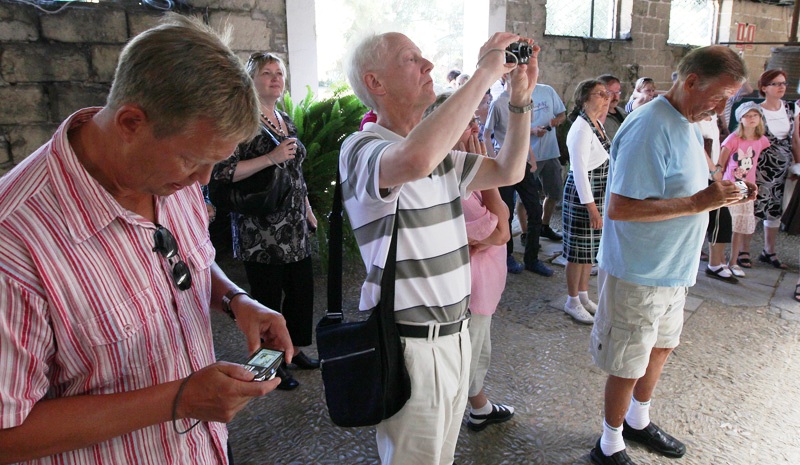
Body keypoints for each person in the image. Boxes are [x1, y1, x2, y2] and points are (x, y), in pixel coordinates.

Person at [0, 14, 293, 464]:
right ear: (131, 122)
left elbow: (182, 260)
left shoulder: (169, 173)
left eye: (215, 163)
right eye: (192, 160)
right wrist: (179, 400)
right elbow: (7, 433)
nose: (203, 180)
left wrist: (235, 299)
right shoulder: (14, 242)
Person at [343, 31, 539, 464]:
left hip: (455, 337)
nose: (428, 64)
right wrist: (486, 71)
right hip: (411, 347)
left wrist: (520, 99)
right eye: (411, 58)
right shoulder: (362, 149)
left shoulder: (442, 158)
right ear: (375, 82)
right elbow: (414, 161)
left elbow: (509, 170)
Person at [590, 45, 750, 465]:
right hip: (640, 269)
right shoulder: (650, 126)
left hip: (674, 265)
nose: (722, 107)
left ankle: (637, 420)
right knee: (628, 360)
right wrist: (699, 202)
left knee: (660, 347)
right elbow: (620, 208)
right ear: (691, 81)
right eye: (720, 96)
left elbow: (689, 184)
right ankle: (608, 443)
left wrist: (723, 192)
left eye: (729, 98)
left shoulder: (688, 121)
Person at [210, 52, 319, 391]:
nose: (275, 78)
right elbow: (222, 171)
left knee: (301, 293)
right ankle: (269, 365)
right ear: (250, 80)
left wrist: (308, 208)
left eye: (279, 73)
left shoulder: (285, 119)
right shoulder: (241, 122)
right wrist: (270, 157)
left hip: (294, 225)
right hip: (260, 229)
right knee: (267, 300)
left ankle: (293, 350)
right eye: (267, 72)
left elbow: (295, 172)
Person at [424, 93, 515, 432]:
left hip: (482, 286)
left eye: (475, 120)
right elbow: (501, 229)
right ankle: (446, 425)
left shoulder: (465, 172)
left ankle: (480, 407)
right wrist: (485, 168)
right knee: (467, 358)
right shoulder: (449, 176)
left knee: (479, 351)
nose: (476, 128)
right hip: (469, 291)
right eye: (467, 122)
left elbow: (498, 224)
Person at [485, 77, 554, 276]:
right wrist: (494, 160)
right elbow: (487, 134)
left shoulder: (525, 103)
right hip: (504, 165)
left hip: (522, 164)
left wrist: (531, 157)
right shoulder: (498, 103)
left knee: (535, 209)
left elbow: (524, 134)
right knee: (505, 212)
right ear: (506, 78)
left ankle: (532, 258)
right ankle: (506, 255)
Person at [561, 80, 611, 325]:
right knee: (577, 253)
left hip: (597, 194)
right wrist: (591, 208)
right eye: (600, 94)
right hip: (583, 196)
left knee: (589, 251)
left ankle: (583, 295)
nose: (606, 98)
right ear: (584, 98)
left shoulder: (597, 123)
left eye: (606, 93)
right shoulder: (581, 128)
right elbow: (579, 172)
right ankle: (572, 300)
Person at [744, 69, 800, 270]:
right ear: (764, 88)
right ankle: (743, 251)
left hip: (783, 167)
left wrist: (798, 164)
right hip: (761, 166)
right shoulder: (756, 111)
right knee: (755, 208)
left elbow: (795, 139)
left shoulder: (790, 108)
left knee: (776, 209)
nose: (781, 87)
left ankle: (769, 251)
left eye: (783, 83)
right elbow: (748, 140)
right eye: (776, 84)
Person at [716, 102, 770, 280]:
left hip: (747, 187)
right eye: (747, 116)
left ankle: (734, 261)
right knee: (726, 225)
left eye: (755, 115)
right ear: (740, 119)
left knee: (739, 227)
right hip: (731, 186)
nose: (751, 119)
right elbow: (721, 163)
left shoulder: (761, 140)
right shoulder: (733, 139)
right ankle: (720, 260)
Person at [698, 110, 737, 283]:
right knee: (716, 217)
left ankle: (716, 263)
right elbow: (698, 145)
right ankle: (714, 263)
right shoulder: (695, 118)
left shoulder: (713, 117)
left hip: (711, 175)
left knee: (721, 219)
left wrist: (718, 167)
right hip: (701, 174)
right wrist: (713, 170)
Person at [529, 83, 567, 241]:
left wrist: (556, 121)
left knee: (554, 192)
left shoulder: (547, 90)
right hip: (528, 154)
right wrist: (532, 131)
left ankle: (544, 226)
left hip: (550, 152)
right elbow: (508, 127)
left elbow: (562, 114)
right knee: (526, 196)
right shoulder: (515, 94)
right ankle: (526, 232)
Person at [596, 74, 627, 140]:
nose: (615, 97)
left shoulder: (623, 113)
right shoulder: (597, 116)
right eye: (610, 93)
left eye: (617, 92)